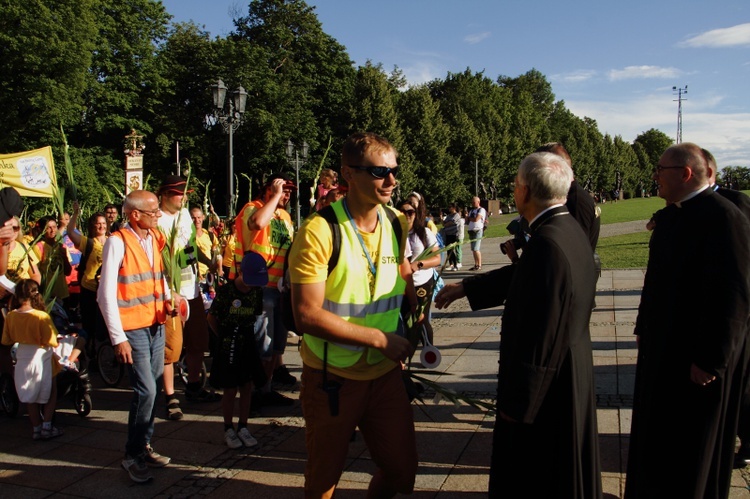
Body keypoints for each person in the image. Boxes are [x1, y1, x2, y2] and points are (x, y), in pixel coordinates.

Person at [434, 152, 601, 498]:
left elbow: (541, 332)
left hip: (548, 387)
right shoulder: (565, 229)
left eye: (515, 184)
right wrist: (466, 287)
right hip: (570, 369)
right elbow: (525, 276)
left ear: (524, 191)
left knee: (537, 473)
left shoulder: (548, 244)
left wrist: (519, 404)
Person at [289, 132, 417, 498]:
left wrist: (416, 307)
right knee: (323, 482)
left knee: (402, 472)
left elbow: (394, 274)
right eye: (379, 171)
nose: (391, 181)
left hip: (385, 374)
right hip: (333, 378)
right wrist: (381, 339)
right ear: (349, 174)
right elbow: (306, 316)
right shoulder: (319, 230)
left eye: (394, 170)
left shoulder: (396, 222)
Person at [625, 143, 750, 498]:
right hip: (663, 349)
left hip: (696, 359)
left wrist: (711, 359)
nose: (655, 177)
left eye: (660, 170)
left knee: (691, 450)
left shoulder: (725, 218)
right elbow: (656, 280)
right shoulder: (671, 215)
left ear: (685, 173)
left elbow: (735, 296)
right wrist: (642, 326)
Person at [98, 190, 172, 483]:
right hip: (133, 328)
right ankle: (132, 455)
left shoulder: (153, 238)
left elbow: (158, 275)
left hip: (156, 322)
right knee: (148, 391)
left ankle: (144, 444)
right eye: (153, 211)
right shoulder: (117, 242)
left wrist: (169, 298)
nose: (158, 215)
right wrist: (118, 338)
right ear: (135, 214)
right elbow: (105, 296)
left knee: (149, 388)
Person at [232, 173, 297, 407]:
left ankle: (266, 389)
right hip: (258, 288)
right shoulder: (252, 207)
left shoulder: (286, 217)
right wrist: (275, 194)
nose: (286, 194)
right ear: (267, 189)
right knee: (262, 346)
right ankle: (253, 396)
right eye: (282, 189)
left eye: (289, 191)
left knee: (276, 346)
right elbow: (258, 223)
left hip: (279, 289)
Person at [157, 175, 218, 423]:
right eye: (178, 194)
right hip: (171, 291)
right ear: (164, 196)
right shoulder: (157, 219)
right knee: (172, 347)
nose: (183, 198)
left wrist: (208, 263)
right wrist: (166, 289)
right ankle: (169, 396)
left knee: (198, 341)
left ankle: (194, 386)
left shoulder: (184, 217)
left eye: (184, 194)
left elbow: (191, 247)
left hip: (192, 288)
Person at [206, 252, 268, 449]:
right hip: (228, 342)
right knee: (230, 388)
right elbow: (211, 318)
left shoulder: (257, 292)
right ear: (240, 272)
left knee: (247, 386)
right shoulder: (226, 292)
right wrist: (223, 336)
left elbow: (256, 316)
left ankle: (243, 426)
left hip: (247, 341)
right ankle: (228, 428)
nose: (251, 285)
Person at [2, 279, 63, 440]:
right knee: (50, 391)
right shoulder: (41, 316)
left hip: (22, 356)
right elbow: (52, 340)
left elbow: (6, 340)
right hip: (41, 356)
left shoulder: (11, 316)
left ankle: (36, 428)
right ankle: (47, 426)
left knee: (30, 394)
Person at [66, 202, 108, 356]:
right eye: (98, 224)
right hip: (90, 290)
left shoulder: (112, 240)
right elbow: (70, 231)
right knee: (89, 325)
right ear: (92, 226)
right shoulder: (88, 242)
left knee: (105, 326)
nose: (101, 227)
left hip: (107, 290)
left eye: (103, 223)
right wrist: (75, 213)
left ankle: (102, 353)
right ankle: (88, 355)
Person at [397, 198, 440, 345]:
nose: (407, 215)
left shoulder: (423, 232)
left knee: (421, 318)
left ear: (416, 214)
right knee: (404, 318)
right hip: (401, 283)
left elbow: (437, 258)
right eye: (403, 211)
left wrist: (419, 264)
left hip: (421, 282)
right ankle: (407, 349)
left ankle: (429, 349)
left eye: (411, 212)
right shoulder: (394, 233)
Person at [191, 206, 223, 281]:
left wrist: (220, 269)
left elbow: (217, 254)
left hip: (209, 275)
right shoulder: (187, 237)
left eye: (199, 217)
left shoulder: (209, 235)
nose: (197, 220)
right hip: (194, 276)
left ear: (203, 217)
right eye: (193, 218)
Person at [466, 196, 486, 270]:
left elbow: (476, 219)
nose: (473, 204)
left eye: (474, 202)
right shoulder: (471, 211)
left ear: (478, 202)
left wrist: (469, 218)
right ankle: (476, 264)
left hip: (478, 230)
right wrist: (466, 217)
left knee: (476, 248)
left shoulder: (481, 210)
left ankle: (479, 265)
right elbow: (467, 221)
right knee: (473, 249)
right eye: (472, 202)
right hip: (471, 231)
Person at [442, 203, 461, 271]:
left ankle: (455, 264)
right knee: (448, 249)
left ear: (454, 208)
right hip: (447, 234)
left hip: (454, 234)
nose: (449, 208)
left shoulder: (456, 215)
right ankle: (451, 264)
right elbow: (444, 223)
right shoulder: (449, 215)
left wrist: (447, 223)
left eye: (450, 207)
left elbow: (451, 222)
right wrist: (445, 222)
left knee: (452, 250)